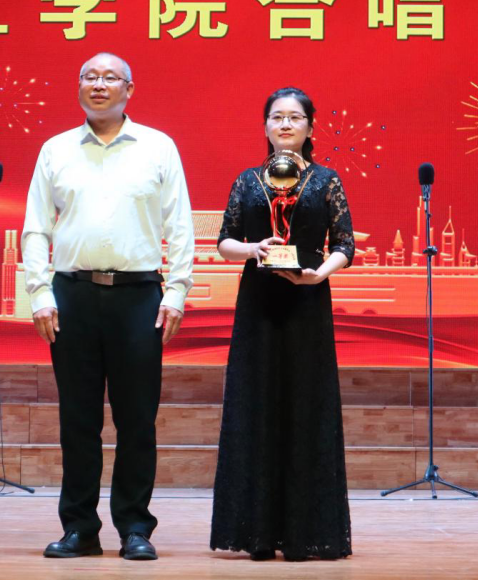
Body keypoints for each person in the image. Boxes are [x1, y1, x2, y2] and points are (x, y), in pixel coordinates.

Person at [22, 52, 194, 561]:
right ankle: (79, 528)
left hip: (139, 297)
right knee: (78, 420)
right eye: (90, 77)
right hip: (71, 295)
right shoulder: (56, 149)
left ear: (129, 89)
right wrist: (39, 293)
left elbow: (180, 225)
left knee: (137, 420)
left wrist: (176, 292)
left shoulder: (158, 147)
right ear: (79, 86)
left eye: (110, 78)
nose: (99, 85)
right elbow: (36, 227)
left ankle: (135, 528)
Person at [210, 87, 354, 562]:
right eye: (277, 117)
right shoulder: (247, 180)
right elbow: (224, 241)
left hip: (307, 303)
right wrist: (253, 249)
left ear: (311, 127)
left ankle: (304, 532)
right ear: (266, 127)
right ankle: (256, 532)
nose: (286, 124)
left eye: (295, 117)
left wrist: (318, 275)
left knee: (305, 406)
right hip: (258, 304)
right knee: (256, 405)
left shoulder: (327, 180)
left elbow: (345, 245)